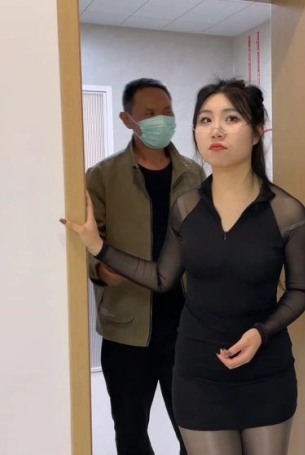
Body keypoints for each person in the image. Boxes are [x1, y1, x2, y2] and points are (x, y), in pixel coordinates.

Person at [62, 78, 305, 455]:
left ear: (258, 132)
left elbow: (299, 290)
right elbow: (161, 277)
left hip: (267, 372)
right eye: (206, 119)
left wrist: (262, 332)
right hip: (198, 372)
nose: (216, 129)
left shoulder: (288, 213)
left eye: (231, 118)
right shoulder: (187, 207)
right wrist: (98, 247)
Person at [85, 78, 205, 455]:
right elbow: (89, 240)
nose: (161, 119)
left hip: (185, 327)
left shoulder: (193, 175)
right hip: (127, 327)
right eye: (150, 113)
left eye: (167, 111)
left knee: (195, 430)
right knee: (131, 432)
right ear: (127, 119)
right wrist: (99, 269)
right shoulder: (102, 176)